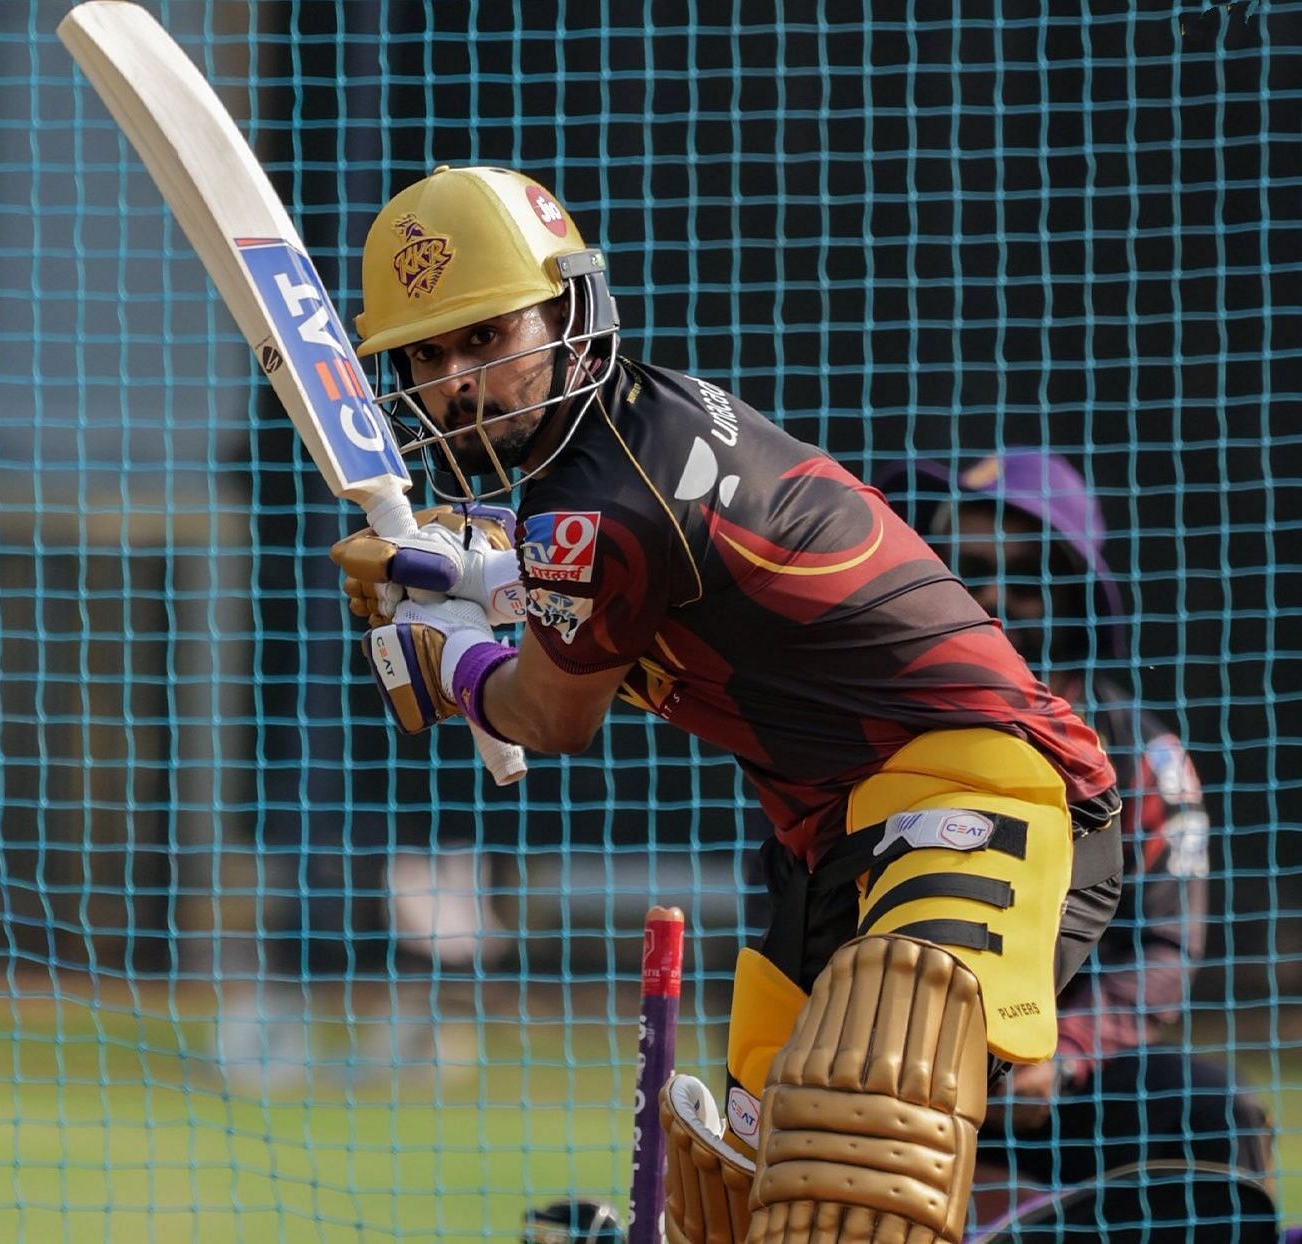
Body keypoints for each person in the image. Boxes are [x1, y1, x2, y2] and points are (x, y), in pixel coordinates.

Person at [329, 165, 1124, 1244]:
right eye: (428, 354)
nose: (458, 379)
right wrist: (481, 581)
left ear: (568, 313)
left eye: (487, 336)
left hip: (990, 791)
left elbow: (555, 714)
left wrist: (455, 659)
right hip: (832, 837)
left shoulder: (597, 501)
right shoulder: (629, 431)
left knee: (857, 1157)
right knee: (746, 1197)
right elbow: (637, 579)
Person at [880, 450, 1273, 1216]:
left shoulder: (1143, 759)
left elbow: (1164, 947)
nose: (990, 598)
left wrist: (1059, 1054)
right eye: (963, 571)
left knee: (1211, 1110)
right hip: (888, 1075)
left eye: (1024, 579)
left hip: (1056, 1091)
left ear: (1077, 597)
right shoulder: (865, 735)